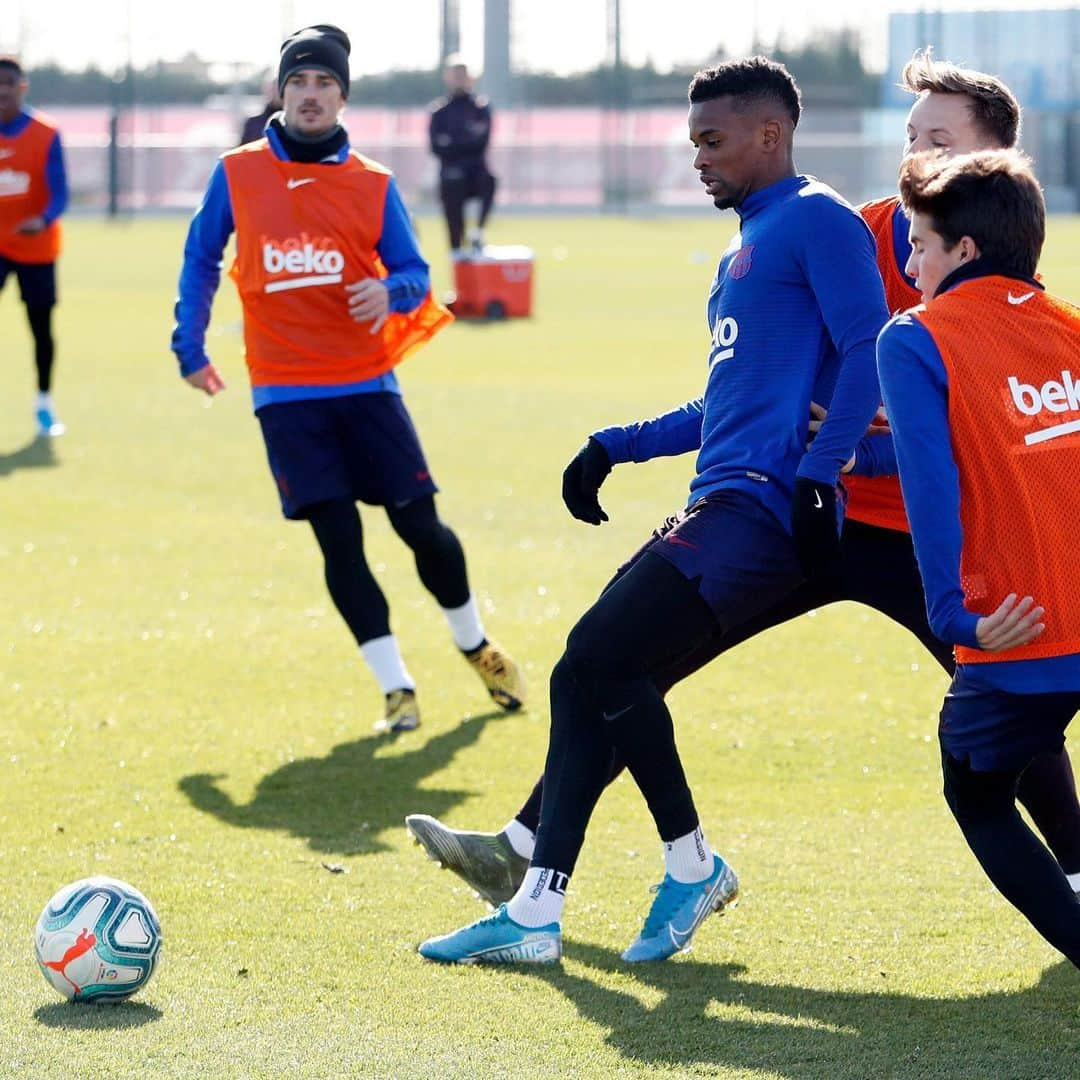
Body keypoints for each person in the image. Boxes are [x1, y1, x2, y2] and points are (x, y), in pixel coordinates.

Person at [405, 50, 1080, 909]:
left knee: (1001, 687)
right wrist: (638, 443)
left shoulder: (990, 266)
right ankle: (527, 846)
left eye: (939, 140)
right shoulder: (853, 227)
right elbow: (755, 385)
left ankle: (1074, 869)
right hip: (804, 519)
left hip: (919, 533)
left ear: (996, 164)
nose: (916, 155)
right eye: (911, 136)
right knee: (638, 659)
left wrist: (856, 433)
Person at [417, 56, 888, 965]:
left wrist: (823, 472)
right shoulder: (747, 242)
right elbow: (730, 402)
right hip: (721, 496)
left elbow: (870, 341)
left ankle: (687, 866)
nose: (699, 159)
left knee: (599, 654)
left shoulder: (818, 218)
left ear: (771, 134)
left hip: (762, 510)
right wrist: (615, 444)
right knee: (581, 676)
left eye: (713, 141)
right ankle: (537, 910)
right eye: (693, 143)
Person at [171, 24, 524, 733]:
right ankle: (396, 687)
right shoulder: (236, 172)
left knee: (420, 526)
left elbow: (417, 274)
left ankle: (474, 644)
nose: (310, 94)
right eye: (298, 81)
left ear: (342, 96)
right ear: (280, 90)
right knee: (338, 541)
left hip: (366, 382)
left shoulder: (372, 182)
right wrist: (189, 341)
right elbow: (202, 256)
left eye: (324, 83)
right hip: (284, 388)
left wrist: (388, 294)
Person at [879, 146, 1080, 966]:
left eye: (920, 244)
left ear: (963, 251)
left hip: (1019, 631)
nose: (909, 261)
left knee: (977, 790)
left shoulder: (916, 337)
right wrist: (861, 456)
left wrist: (954, 616)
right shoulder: (1070, 324)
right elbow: (1000, 443)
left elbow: (932, 492)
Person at [0, 55, 68, 437]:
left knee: (40, 328)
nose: (2, 90)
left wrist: (41, 220)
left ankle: (44, 402)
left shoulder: (45, 133)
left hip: (36, 246)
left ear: (22, 86)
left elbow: (60, 192)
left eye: (9, 82)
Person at [428, 56, 496, 255]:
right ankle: (457, 252)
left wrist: (453, 143)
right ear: (447, 78)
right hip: (450, 173)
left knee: (489, 181)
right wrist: (464, 142)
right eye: (455, 75)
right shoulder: (439, 111)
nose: (460, 79)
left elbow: (481, 142)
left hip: (476, 171)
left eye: (463, 75)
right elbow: (436, 146)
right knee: (453, 215)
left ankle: (478, 232)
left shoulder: (480, 108)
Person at [239, 81, 282, 146]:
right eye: (273, 88)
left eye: (279, 88)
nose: (276, 92)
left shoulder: (293, 124)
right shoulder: (253, 123)